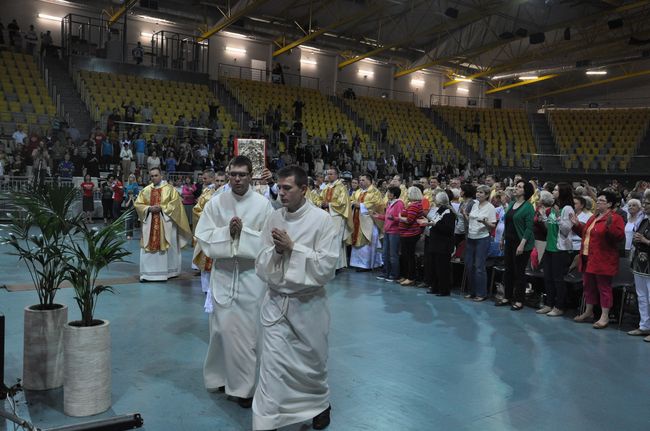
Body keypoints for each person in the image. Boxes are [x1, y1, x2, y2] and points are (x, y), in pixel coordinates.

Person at [253, 166, 339, 431]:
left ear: (304, 189)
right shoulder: (273, 218)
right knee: (272, 366)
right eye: (279, 188)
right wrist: (278, 252)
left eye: (287, 188)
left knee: (311, 366)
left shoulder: (322, 220)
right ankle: (266, 421)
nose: (281, 193)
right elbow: (260, 262)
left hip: (308, 305)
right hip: (277, 302)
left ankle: (319, 404)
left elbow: (327, 267)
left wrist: (293, 249)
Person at [194, 156, 273, 408]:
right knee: (220, 329)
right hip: (224, 273)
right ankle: (218, 377)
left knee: (248, 334)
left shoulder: (263, 205)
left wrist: (244, 234)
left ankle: (244, 388)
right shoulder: (216, 203)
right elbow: (203, 237)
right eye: (233, 174)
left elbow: (270, 241)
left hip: (251, 276)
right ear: (228, 175)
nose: (237, 179)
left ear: (251, 176)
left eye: (242, 174)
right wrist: (226, 233)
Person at [571, 190, 626, 329]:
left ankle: (604, 315)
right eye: (598, 200)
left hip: (603, 258)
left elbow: (619, 237)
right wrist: (577, 225)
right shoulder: (594, 217)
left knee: (604, 288)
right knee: (588, 286)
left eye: (601, 201)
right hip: (587, 256)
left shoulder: (615, 218)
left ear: (609, 204)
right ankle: (588, 311)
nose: (598, 203)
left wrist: (609, 227)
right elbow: (586, 234)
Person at [134, 167, 192, 282]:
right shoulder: (146, 190)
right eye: (152, 176)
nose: (154, 178)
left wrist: (162, 208)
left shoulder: (170, 189)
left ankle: (169, 271)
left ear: (161, 176)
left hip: (166, 223)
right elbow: (138, 204)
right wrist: (149, 208)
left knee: (169, 247)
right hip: (150, 222)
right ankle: (148, 273)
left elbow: (176, 205)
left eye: (156, 175)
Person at [537, 183, 575, 317]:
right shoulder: (554, 207)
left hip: (561, 249)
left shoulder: (567, 208)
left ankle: (559, 307)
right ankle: (549, 304)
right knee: (548, 277)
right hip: (550, 247)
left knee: (558, 279)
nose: (553, 191)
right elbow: (549, 228)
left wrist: (558, 216)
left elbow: (565, 230)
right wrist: (544, 218)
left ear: (562, 192)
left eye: (556, 190)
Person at [497, 180, 535, 308]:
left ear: (525, 191)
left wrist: (522, 244)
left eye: (519, 187)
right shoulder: (512, 204)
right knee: (508, 270)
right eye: (516, 186)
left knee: (519, 272)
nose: (515, 188)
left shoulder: (528, 207)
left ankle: (519, 300)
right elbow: (507, 223)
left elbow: (529, 228)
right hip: (509, 240)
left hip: (521, 243)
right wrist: (502, 238)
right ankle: (507, 297)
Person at [463, 185, 496, 301]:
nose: (478, 194)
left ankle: (481, 293)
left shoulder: (490, 207)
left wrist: (485, 223)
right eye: (477, 192)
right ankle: (472, 291)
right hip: (471, 237)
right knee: (468, 264)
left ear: (487, 195)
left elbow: (493, 226)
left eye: (481, 192)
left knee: (479, 266)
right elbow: (471, 221)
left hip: (482, 238)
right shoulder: (474, 205)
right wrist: (465, 215)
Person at [420, 191, 457, 296]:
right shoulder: (439, 211)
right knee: (434, 267)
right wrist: (428, 221)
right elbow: (434, 222)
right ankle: (435, 287)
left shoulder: (448, 213)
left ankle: (444, 289)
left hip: (443, 245)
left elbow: (448, 229)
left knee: (443, 268)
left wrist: (434, 224)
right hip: (435, 243)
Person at [192, 169, 218, 312]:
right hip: (208, 230)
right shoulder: (206, 193)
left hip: (219, 232)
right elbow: (197, 209)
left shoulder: (227, 194)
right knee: (205, 260)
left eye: (205, 178)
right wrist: (209, 216)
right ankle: (206, 289)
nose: (203, 180)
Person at [348, 174, 384, 271]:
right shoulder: (358, 191)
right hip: (356, 218)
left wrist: (361, 205)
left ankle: (367, 265)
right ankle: (357, 263)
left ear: (369, 181)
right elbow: (351, 200)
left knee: (368, 242)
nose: (360, 182)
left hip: (369, 221)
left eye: (363, 180)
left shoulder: (375, 192)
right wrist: (353, 203)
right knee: (356, 240)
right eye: (360, 180)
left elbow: (378, 204)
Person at [628, 191, 650, 341]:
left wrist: (645, 240)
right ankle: (644, 326)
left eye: (647, 203)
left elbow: (644, 239)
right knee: (641, 296)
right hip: (640, 262)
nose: (644, 206)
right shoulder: (644, 220)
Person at [319, 168, 350, 270]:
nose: (329, 176)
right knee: (326, 240)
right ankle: (327, 264)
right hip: (326, 216)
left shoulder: (341, 187)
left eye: (331, 174)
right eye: (328, 174)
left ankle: (336, 266)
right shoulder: (326, 187)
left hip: (336, 216)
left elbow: (343, 203)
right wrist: (321, 203)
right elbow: (319, 199)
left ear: (337, 175)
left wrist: (329, 204)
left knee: (335, 241)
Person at [373, 186, 404, 282]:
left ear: (394, 194)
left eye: (390, 192)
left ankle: (394, 274)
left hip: (394, 232)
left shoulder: (399, 204)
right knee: (385, 253)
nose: (387, 194)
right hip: (387, 231)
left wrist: (393, 218)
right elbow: (387, 217)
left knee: (393, 254)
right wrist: (378, 216)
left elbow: (400, 218)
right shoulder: (390, 203)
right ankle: (385, 272)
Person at [398, 186, 425, 286]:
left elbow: (409, 220)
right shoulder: (414, 204)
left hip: (410, 234)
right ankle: (406, 276)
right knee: (406, 256)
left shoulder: (414, 205)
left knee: (409, 256)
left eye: (408, 193)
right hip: (407, 233)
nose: (406, 194)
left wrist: (400, 217)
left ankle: (411, 277)